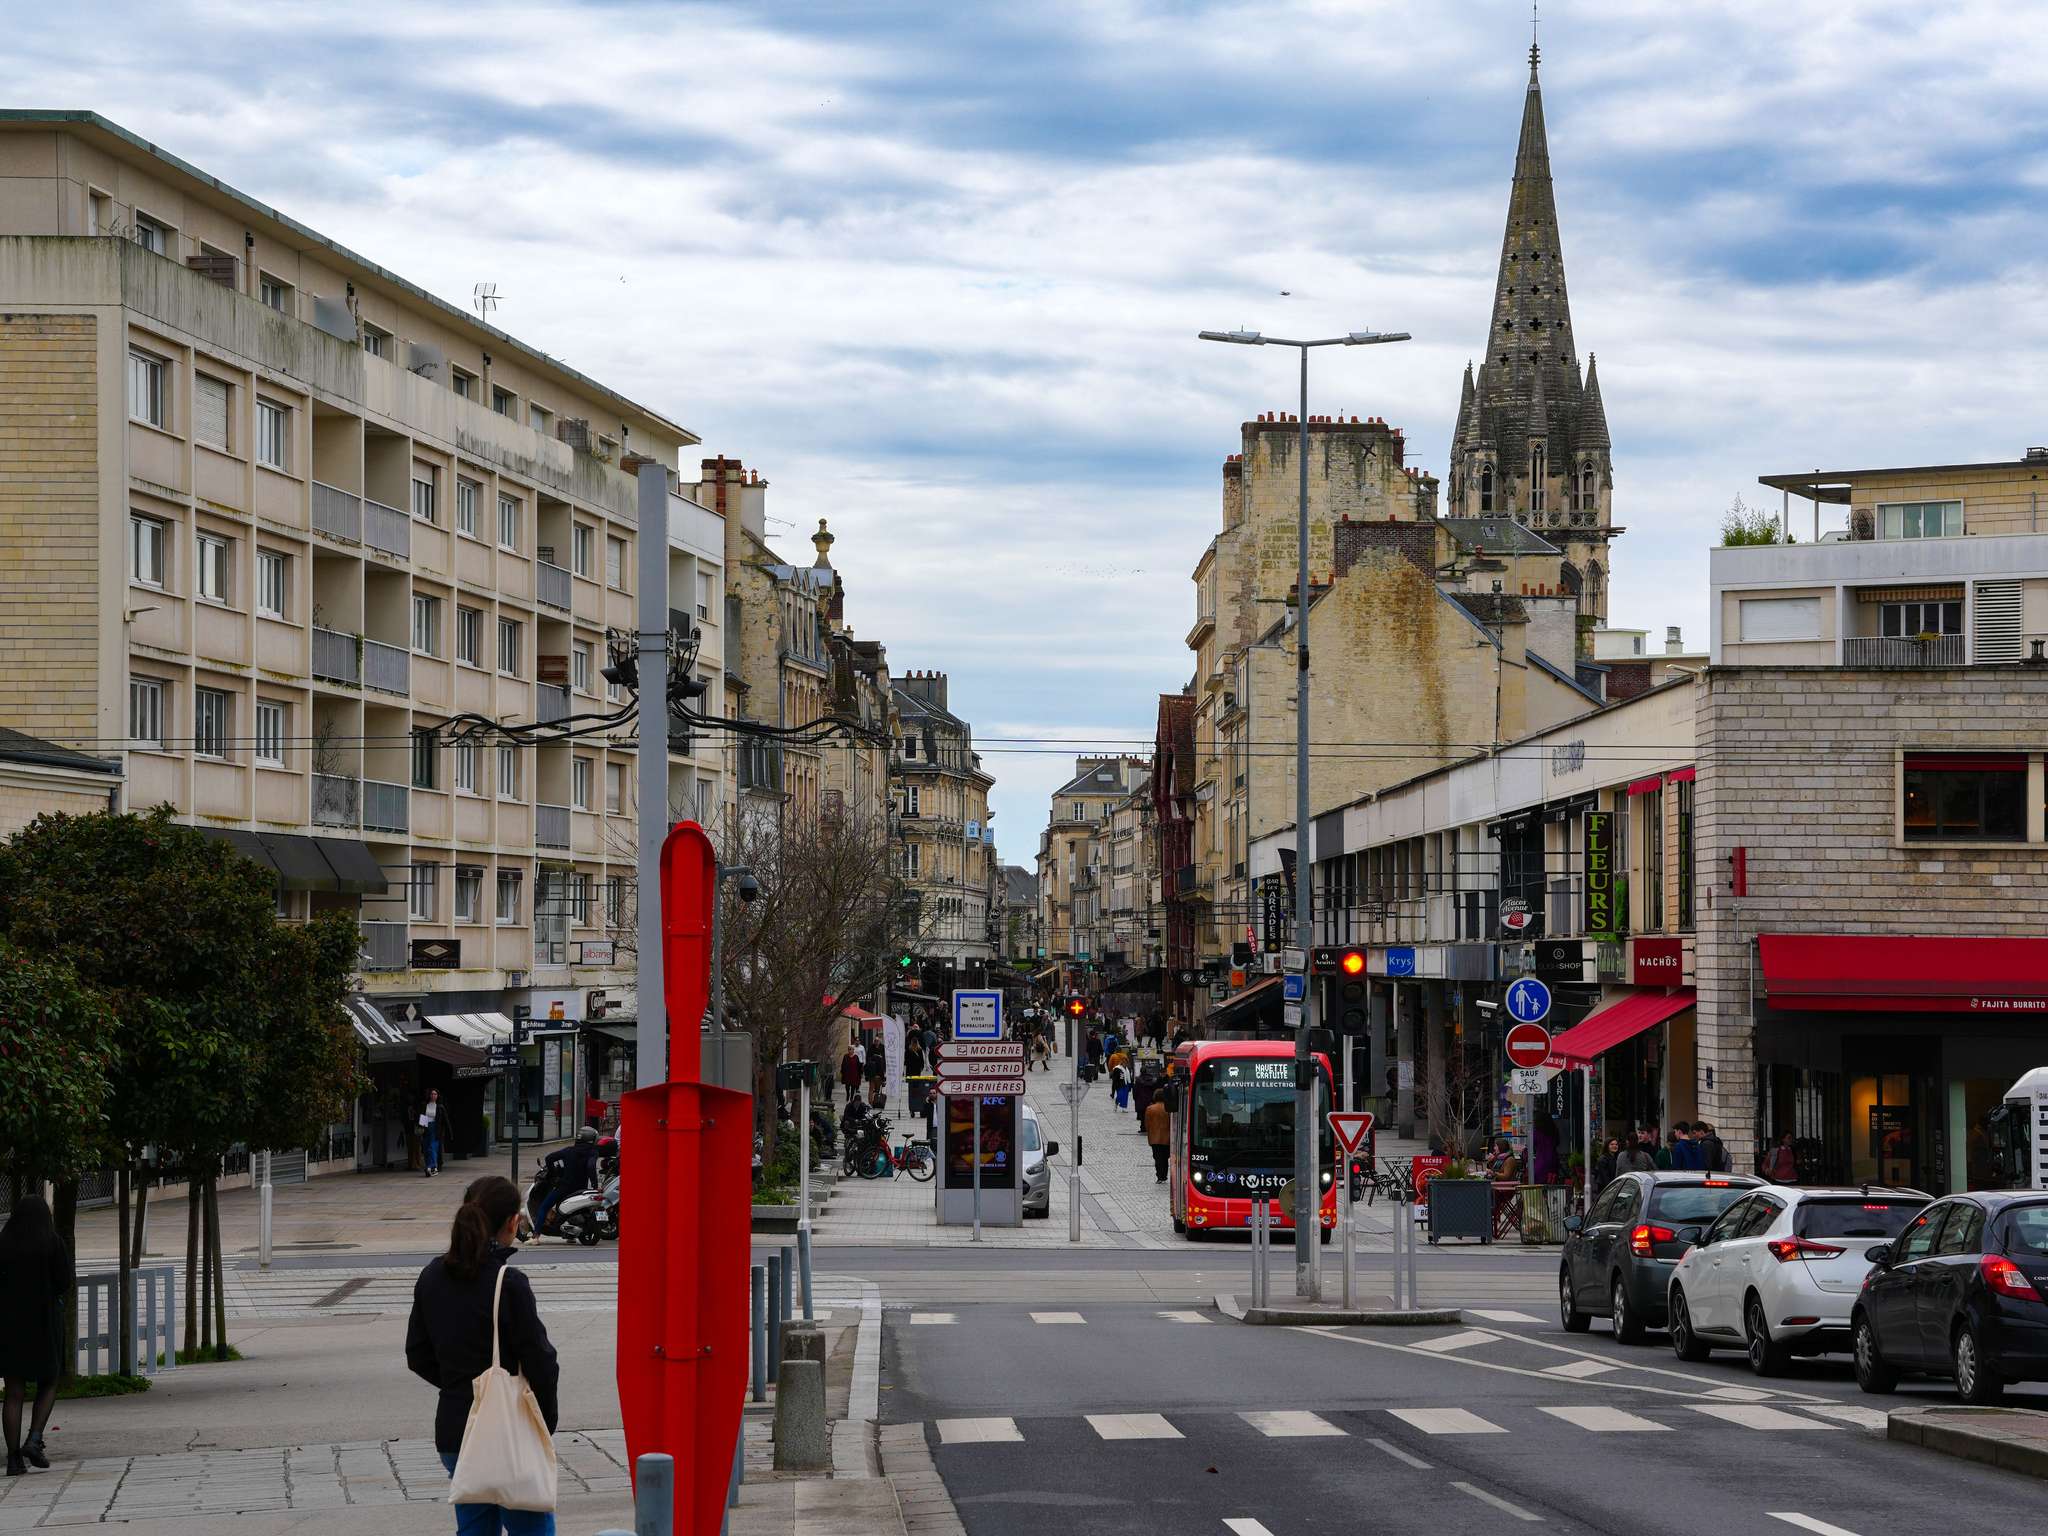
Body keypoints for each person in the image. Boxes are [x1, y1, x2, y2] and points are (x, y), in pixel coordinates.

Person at [407, 1176, 560, 1536]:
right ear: (511, 1222)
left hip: (456, 1430)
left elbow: (417, 1354)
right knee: (532, 1530)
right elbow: (541, 1363)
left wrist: (460, 1384)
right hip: (509, 1433)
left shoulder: (431, 1276)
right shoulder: (509, 1283)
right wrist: (544, 1422)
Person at [0, 1196, 71, 1478]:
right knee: (49, 1380)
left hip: (9, 1326)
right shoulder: (52, 1243)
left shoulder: (3, 1243)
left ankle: (13, 1460)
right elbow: (64, 1282)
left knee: (14, 1392)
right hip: (44, 1322)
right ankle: (34, 1438)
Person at [533, 1126, 600, 1235]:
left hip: (564, 1187)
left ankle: (535, 1236)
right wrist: (595, 1185)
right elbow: (591, 1166)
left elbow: (549, 1158)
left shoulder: (568, 1151)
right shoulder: (593, 1152)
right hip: (581, 1189)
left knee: (544, 1207)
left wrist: (553, 1172)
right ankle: (570, 1236)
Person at [1143, 1087, 1173, 1182]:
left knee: (1157, 1158)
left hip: (1154, 1138)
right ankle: (1164, 1175)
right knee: (1165, 1157)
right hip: (1167, 1137)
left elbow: (1147, 1124)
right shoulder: (1168, 1108)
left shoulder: (1150, 1109)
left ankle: (1160, 1176)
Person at [419, 1088, 443, 1178]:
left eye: (435, 1094)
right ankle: (430, 1167)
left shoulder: (439, 1107)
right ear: (429, 1095)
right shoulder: (425, 1105)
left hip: (435, 1129)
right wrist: (421, 1128)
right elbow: (422, 1117)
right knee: (426, 1149)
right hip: (426, 1128)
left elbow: (444, 1120)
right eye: (432, 1094)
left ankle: (431, 1167)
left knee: (432, 1148)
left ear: (437, 1096)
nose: (433, 1096)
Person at [863, 1038, 886, 1106]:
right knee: (871, 1088)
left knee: (877, 1089)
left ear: (880, 1042)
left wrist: (883, 1075)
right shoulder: (871, 1048)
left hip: (879, 1073)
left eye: (877, 1041)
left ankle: (876, 1101)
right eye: (875, 1041)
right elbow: (867, 1060)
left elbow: (884, 1062)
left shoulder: (882, 1048)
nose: (876, 1042)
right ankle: (871, 1102)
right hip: (872, 1073)